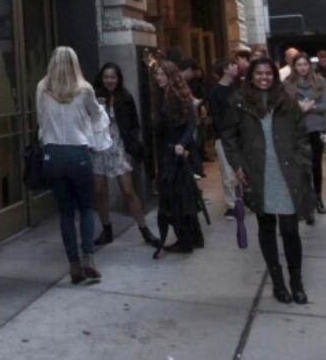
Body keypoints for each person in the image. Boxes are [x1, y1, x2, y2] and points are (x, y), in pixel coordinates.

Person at [221, 58, 313, 304]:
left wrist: (302, 163)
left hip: (287, 172)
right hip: (258, 173)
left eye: (268, 73)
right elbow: (229, 136)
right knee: (267, 227)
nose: (264, 77)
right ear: (251, 76)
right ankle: (278, 282)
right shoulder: (239, 102)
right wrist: (238, 164)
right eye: (259, 73)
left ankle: (296, 281)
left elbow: (302, 136)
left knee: (290, 229)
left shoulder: (288, 101)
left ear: (275, 76)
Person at [37, 46, 109, 284]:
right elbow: (97, 115)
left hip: (53, 152)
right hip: (78, 151)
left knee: (66, 212)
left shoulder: (43, 87)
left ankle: (73, 264)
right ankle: (88, 256)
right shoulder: (84, 88)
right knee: (87, 207)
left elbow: (40, 119)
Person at [91, 62, 160, 248]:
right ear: (101, 78)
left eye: (113, 77)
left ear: (118, 78)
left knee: (128, 190)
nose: (109, 80)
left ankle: (145, 230)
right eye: (106, 77)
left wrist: (131, 149)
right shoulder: (94, 96)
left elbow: (133, 125)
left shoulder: (125, 96)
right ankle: (107, 230)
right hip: (98, 147)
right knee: (99, 190)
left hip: (119, 146)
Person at [153, 61, 204, 258]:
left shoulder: (175, 97)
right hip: (172, 152)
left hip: (175, 154)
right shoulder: (167, 95)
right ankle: (193, 237)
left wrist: (181, 144)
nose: (158, 78)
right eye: (157, 74)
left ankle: (186, 240)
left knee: (177, 198)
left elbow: (191, 122)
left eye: (162, 74)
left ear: (171, 76)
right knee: (183, 196)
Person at [283, 51, 326, 220]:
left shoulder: (319, 81)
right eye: (299, 65)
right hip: (297, 129)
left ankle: (318, 198)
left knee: (316, 166)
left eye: (305, 64)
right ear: (294, 67)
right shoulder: (287, 84)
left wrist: (312, 107)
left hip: (315, 128)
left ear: (309, 65)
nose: (302, 68)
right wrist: (299, 108)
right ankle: (303, 201)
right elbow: (284, 107)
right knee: (301, 167)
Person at [207, 58, 241, 219]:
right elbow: (216, 115)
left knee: (241, 169)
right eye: (232, 65)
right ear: (225, 70)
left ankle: (244, 200)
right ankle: (231, 204)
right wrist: (224, 134)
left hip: (240, 135)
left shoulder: (237, 88)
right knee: (227, 172)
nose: (236, 67)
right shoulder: (214, 91)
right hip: (223, 137)